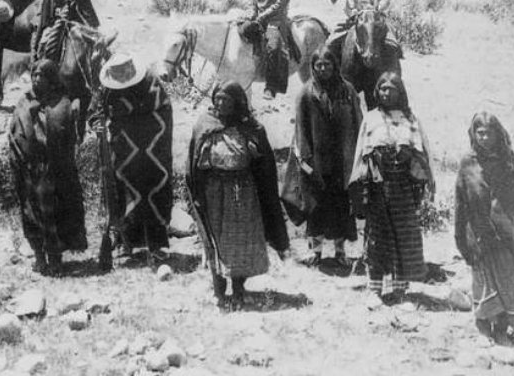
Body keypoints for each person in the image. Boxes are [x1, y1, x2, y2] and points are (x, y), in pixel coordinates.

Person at [187, 81, 290, 309]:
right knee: (215, 239)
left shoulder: (250, 127)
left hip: (242, 192)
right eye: (218, 98)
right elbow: (192, 162)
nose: (221, 103)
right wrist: (197, 192)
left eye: (226, 99)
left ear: (237, 102)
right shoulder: (204, 124)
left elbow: (264, 164)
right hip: (213, 190)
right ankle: (219, 290)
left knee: (239, 240)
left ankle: (239, 289)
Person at [348, 72, 435, 303]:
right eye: (382, 88)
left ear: (400, 92)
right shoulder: (371, 118)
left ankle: (399, 290)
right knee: (377, 236)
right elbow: (361, 151)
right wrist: (359, 182)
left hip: (404, 188)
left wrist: (421, 173)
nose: (386, 93)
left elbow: (422, 152)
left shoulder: (410, 118)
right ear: (377, 91)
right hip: (378, 186)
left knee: (402, 236)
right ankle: (375, 289)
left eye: (391, 89)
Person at [282, 46, 363, 267]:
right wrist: (307, 162)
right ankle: (316, 252)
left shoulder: (348, 90)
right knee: (316, 207)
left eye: (328, 64)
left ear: (335, 65)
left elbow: (358, 122)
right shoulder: (306, 94)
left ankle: (340, 251)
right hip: (316, 162)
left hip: (342, 161)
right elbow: (300, 130)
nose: (324, 68)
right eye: (319, 65)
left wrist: (358, 154)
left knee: (341, 206)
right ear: (313, 67)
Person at [8, 60, 87, 275]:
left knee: (55, 214)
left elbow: (66, 134)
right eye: (34, 74)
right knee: (31, 213)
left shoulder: (61, 103)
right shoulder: (24, 102)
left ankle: (55, 258)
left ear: (51, 79)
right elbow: (14, 132)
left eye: (41, 75)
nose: (36, 79)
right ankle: (39, 256)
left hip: (54, 170)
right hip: (29, 170)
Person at [455, 112, 514, 343]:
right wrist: (462, 237)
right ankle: (483, 325)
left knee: (507, 277)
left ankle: (503, 329)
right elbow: (461, 202)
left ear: (497, 133)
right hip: (478, 231)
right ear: (473, 134)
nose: (484, 138)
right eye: (479, 133)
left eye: (488, 133)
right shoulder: (467, 163)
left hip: (505, 232)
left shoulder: (506, 161)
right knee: (482, 278)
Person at [97, 53, 173, 260]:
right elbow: (98, 111)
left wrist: (134, 124)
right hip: (124, 153)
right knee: (123, 191)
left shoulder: (152, 85)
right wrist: (98, 124)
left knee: (154, 191)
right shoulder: (109, 87)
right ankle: (126, 241)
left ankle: (157, 243)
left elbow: (163, 115)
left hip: (152, 153)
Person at [238, 0, 297, 100]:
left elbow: (281, 2)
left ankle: (271, 86)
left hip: (275, 19)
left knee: (273, 46)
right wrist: (252, 11)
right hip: (257, 16)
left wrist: (263, 16)